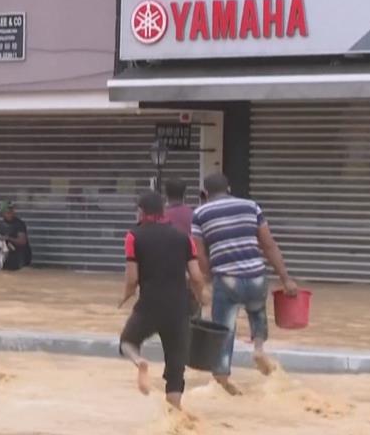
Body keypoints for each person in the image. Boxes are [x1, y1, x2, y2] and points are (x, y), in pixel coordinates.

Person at [192, 173, 299, 393]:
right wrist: (286, 279)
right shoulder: (251, 206)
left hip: (227, 278)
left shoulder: (200, 213)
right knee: (257, 313)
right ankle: (259, 348)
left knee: (224, 330)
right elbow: (268, 245)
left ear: (204, 194)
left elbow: (200, 255)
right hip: (256, 275)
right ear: (229, 189)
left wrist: (208, 278)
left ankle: (222, 378)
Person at [119, 192, 208, 411]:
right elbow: (196, 277)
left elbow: (132, 279)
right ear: (162, 211)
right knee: (176, 364)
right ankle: (175, 413)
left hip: (149, 305)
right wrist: (201, 298)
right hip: (179, 308)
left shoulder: (134, 236)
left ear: (141, 211)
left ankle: (139, 361)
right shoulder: (183, 237)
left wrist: (125, 297)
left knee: (127, 343)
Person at [0, 201, 31, 271]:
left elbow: (23, 241)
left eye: (12, 211)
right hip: (9, 256)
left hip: (21, 257)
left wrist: (8, 238)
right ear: (3, 213)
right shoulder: (2, 225)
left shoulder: (19, 224)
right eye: (8, 212)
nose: (11, 214)